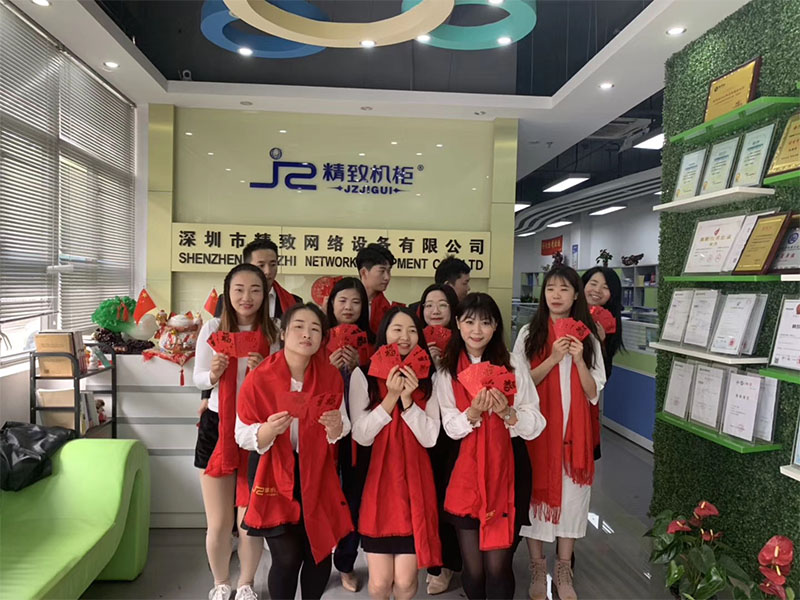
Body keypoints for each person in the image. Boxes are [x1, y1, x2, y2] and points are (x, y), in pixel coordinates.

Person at [235, 303, 353, 600]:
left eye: (315, 329)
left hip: (316, 473)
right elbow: (242, 434)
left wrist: (336, 426)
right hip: (272, 472)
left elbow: (341, 427)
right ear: (283, 333)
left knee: (319, 553)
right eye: (299, 327)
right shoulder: (259, 377)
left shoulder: (330, 377)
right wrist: (268, 430)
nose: (306, 334)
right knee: (287, 557)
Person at [435, 293, 546, 600]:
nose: (477, 330)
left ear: (496, 326)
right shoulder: (446, 371)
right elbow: (449, 427)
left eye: (485, 322)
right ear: (458, 324)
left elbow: (536, 421)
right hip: (464, 473)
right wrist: (472, 414)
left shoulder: (513, 364)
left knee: (498, 567)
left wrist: (508, 413)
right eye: (469, 321)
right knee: (473, 569)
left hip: (507, 469)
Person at [514, 265, 606, 600]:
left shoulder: (588, 337)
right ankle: (538, 567)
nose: (556, 295)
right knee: (535, 502)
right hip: (537, 434)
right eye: (550, 288)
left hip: (574, 438)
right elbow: (519, 386)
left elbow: (593, 393)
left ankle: (564, 569)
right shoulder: (529, 334)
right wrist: (553, 358)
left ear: (576, 295)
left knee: (572, 502)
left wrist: (579, 360)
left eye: (564, 289)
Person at [193, 264, 280, 600]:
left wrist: (264, 372)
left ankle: (246, 584)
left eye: (255, 290)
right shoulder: (213, 328)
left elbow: (282, 383)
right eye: (239, 289)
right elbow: (198, 377)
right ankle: (220, 583)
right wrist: (213, 375)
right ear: (228, 293)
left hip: (256, 429)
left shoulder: (274, 331)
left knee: (249, 522)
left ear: (265, 294)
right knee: (217, 523)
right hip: (217, 427)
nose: (247, 297)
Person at [350, 307, 441, 600]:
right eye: (397, 330)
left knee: (405, 582)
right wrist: (390, 397)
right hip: (376, 486)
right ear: (384, 334)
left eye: (412, 331)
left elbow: (430, 438)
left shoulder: (430, 377)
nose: (405, 337)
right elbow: (361, 435)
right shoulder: (363, 374)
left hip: (415, 487)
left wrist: (408, 400)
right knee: (379, 584)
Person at [200, 238, 302, 413]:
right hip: (225, 399)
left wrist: (266, 370)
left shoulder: (292, 303)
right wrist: (207, 396)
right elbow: (217, 345)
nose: (268, 271)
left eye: (273, 264)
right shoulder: (228, 300)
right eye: (261, 265)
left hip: (267, 401)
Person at [325, 277, 375, 593]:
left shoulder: (373, 341)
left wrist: (362, 367)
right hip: (325, 433)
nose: (349, 307)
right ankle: (317, 561)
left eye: (356, 302)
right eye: (342, 300)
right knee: (323, 497)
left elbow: (381, 390)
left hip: (360, 437)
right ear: (331, 304)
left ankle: (346, 563)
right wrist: (327, 369)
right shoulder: (317, 338)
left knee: (353, 500)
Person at [417, 283, 462, 594]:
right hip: (423, 433)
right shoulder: (412, 341)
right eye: (429, 305)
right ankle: (431, 560)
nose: (435, 311)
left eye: (442, 305)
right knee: (428, 499)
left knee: (450, 499)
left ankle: (448, 564)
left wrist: (443, 366)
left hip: (457, 434)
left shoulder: (465, 342)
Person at [581, 266, 625, 460]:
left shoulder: (608, 324)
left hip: (585, 398)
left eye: (605, 287)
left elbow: (604, 375)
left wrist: (600, 343)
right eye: (593, 283)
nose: (597, 290)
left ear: (612, 295)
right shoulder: (564, 313)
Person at [356, 243, 398, 333]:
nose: (387, 277)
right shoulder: (346, 304)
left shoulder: (391, 308)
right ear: (364, 272)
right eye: (382, 271)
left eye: (388, 271)